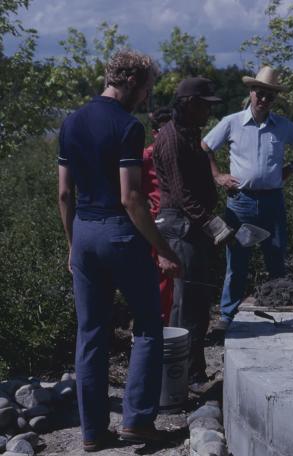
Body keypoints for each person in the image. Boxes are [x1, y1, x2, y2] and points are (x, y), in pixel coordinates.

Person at [57, 49, 181, 451]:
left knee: (90, 333)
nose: (146, 97)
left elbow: (63, 193)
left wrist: (72, 245)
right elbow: (132, 198)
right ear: (131, 82)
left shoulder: (70, 122)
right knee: (147, 325)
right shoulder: (127, 127)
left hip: (84, 231)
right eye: (146, 89)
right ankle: (137, 422)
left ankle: (92, 433)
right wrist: (163, 249)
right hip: (118, 232)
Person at [202, 66, 293, 331]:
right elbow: (205, 147)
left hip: (272, 201)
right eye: (260, 93)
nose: (264, 99)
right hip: (240, 202)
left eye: (270, 96)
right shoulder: (232, 122)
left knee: (276, 257)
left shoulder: (283, 126)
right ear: (251, 92)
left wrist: (292, 168)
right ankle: (227, 316)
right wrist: (218, 175)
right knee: (237, 262)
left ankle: (281, 314)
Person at [152, 77, 232, 388]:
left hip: (192, 227)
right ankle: (178, 379)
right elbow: (182, 194)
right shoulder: (172, 139)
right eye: (204, 106)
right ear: (189, 104)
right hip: (181, 227)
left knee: (198, 303)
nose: (208, 113)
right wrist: (213, 224)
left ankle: (194, 372)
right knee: (185, 305)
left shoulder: (189, 134)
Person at [142, 107, 175, 323]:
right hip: (159, 220)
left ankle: (176, 321)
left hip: (181, 221)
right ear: (155, 133)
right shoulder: (146, 156)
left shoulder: (182, 152)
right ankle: (161, 323)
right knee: (162, 275)